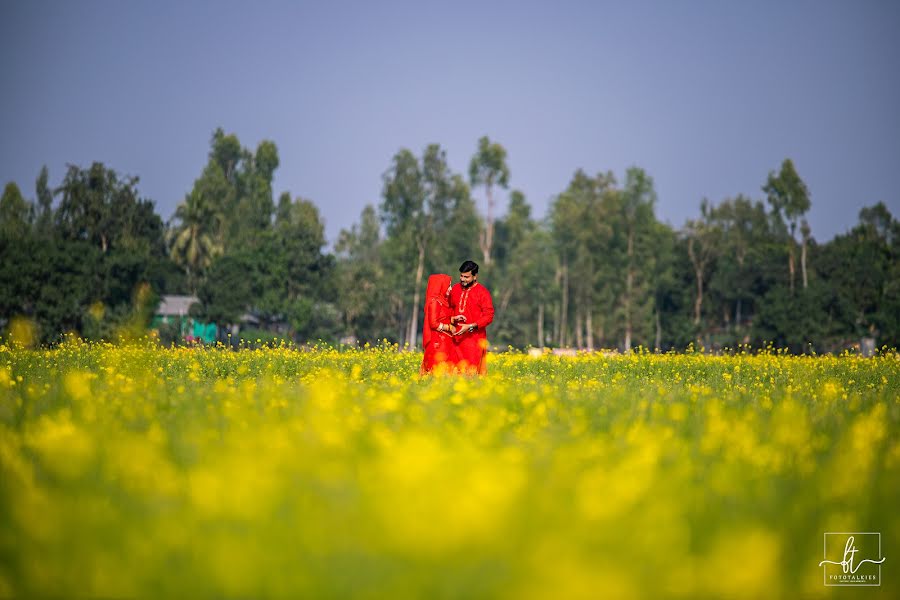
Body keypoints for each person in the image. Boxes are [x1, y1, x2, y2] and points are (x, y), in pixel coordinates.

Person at [449, 260, 494, 374]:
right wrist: (452, 319)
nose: (463, 279)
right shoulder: (454, 289)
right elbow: (448, 309)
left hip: (474, 340)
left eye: (466, 277)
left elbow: (489, 315)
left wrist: (470, 326)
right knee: (453, 374)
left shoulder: (482, 292)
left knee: (471, 374)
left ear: (475, 276)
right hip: (455, 339)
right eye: (461, 276)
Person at [420, 273, 460, 374]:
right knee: (437, 372)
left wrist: (454, 319)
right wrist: (449, 327)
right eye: (448, 285)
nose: (450, 288)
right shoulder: (434, 302)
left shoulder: (444, 301)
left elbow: (444, 318)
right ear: (441, 285)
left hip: (447, 341)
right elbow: (433, 323)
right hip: (438, 343)